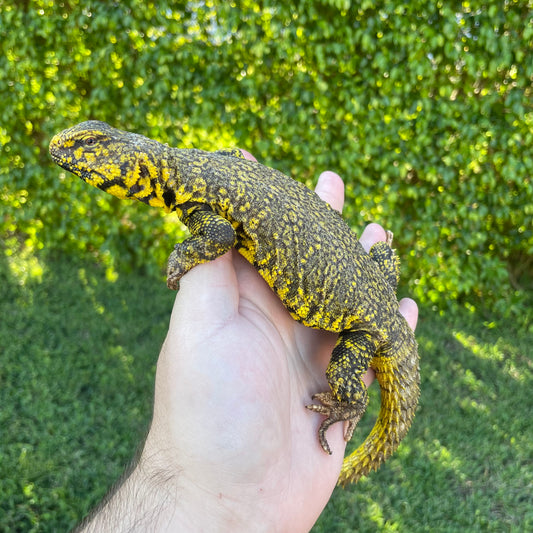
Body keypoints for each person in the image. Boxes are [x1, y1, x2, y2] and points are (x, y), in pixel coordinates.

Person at [75, 164, 418, 533]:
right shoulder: (205, 165)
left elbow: (219, 234)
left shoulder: (196, 195)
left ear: (138, 177)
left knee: (339, 374)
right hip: (370, 285)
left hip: (367, 322)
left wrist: (186, 254)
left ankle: (350, 403)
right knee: (380, 252)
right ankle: (383, 263)